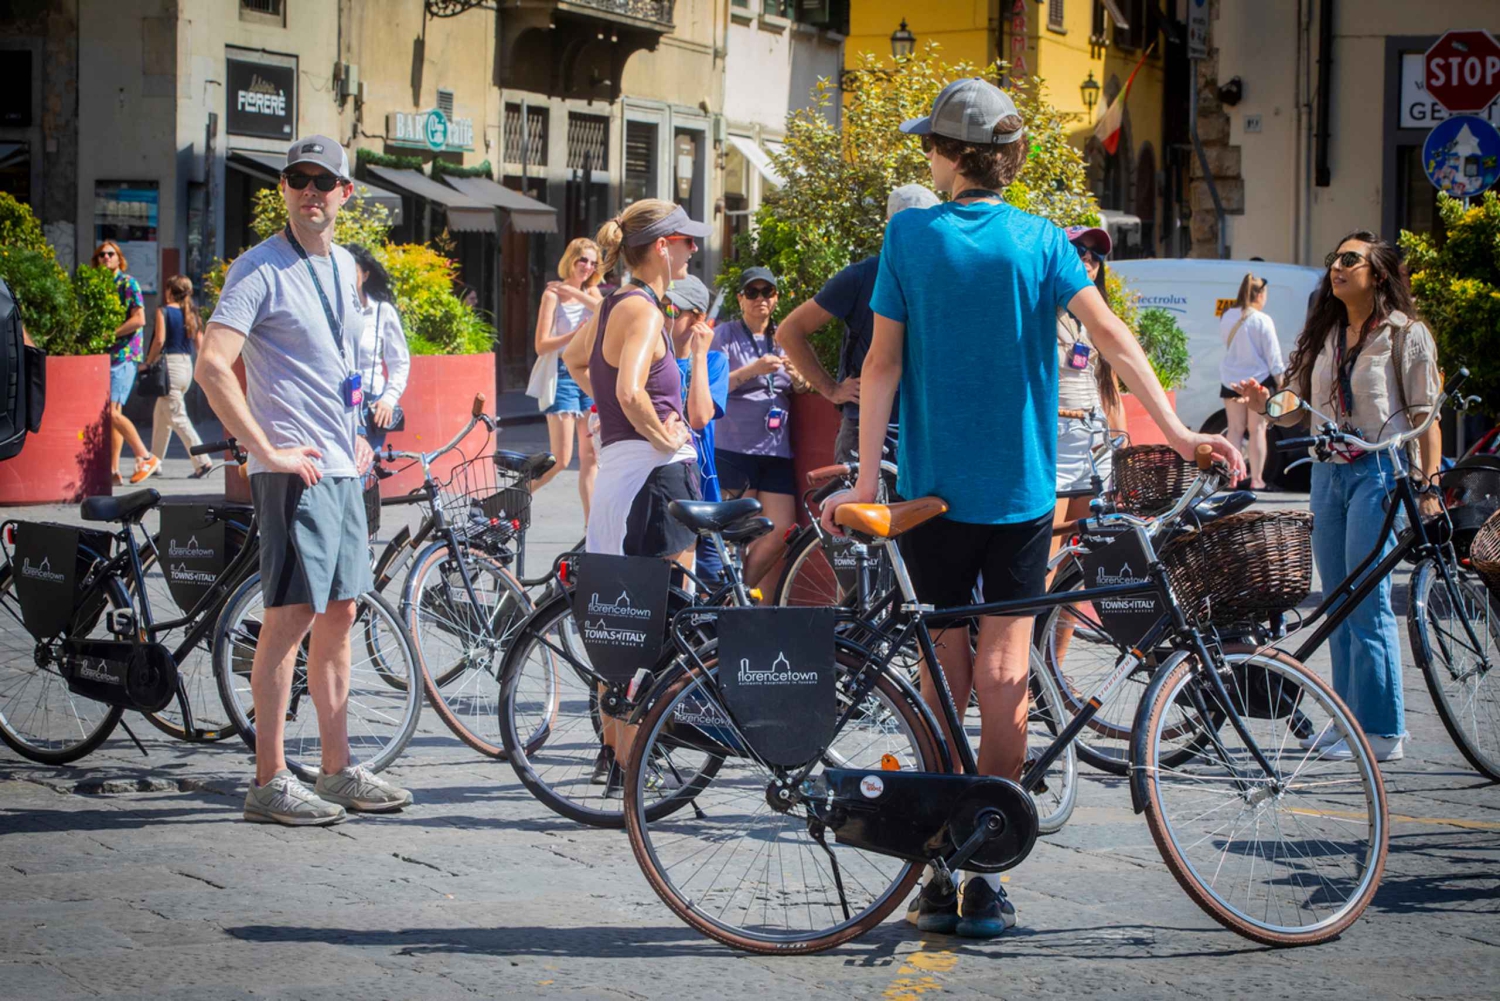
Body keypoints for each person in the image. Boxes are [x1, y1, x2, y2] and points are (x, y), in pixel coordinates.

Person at [818, 78, 1242, 939]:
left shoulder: (910, 235)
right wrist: (1179, 432)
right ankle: (984, 867)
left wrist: (866, 485)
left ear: (946, 155)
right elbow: (1115, 342)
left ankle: (935, 864)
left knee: (945, 671)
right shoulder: (1043, 241)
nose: (927, 160)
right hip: (1021, 495)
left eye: (929, 147)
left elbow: (883, 369)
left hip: (931, 494)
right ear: (1006, 159)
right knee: (1008, 673)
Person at [197, 135, 411, 826]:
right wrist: (264, 447)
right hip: (294, 472)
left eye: (325, 181)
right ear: (284, 190)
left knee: (341, 614)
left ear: (347, 193)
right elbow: (211, 364)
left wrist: (356, 432)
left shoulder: (346, 267)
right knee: (287, 621)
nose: (312, 191)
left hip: (342, 466)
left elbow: (337, 367)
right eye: (299, 179)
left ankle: (337, 765)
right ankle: (268, 777)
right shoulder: (258, 270)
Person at [1237, 231, 1438, 764]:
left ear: (1379, 274)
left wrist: (1429, 484)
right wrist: (1263, 404)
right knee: (1337, 602)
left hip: (1377, 470)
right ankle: (1350, 720)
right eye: (1334, 259)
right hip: (1328, 477)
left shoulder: (1405, 334)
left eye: (1351, 259)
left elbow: (1425, 416)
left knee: (1367, 601)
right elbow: (1293, 410)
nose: (1338, 267)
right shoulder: (1324, 335)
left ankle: (1384, 728)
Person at [580, 200, 708, 560]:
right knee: (673, 605)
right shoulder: (644, 311)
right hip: (656, 473)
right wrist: (663, 438)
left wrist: (611, 409)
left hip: (621, 475)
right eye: (687, 240)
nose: (694, 249)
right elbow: (630, 392)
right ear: (662, 246)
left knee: (624, 607)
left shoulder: (611, 304)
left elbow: (575, 360)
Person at [778, 184, 942, 464]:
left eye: (926, 227)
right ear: (891, 228)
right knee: (861, 508)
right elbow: (789, 332)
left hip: (925, 429)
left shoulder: (940, 278)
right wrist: (832, 389)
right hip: (866, 428)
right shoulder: (862, 277)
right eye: (910, 226)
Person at [712, 267, 801, 590]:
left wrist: (799, 375)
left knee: (782, 529)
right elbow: (714, 386)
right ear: (740, 298)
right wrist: (754, 370)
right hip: (735, 446)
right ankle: (730, 599)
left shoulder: (785, 335)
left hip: (776, 448)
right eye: (752, 293)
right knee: (734, 533)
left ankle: (737, 593)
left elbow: (800, 386)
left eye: (767, 292)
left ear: (776, 298)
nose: (760, 299)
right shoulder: (726, 334)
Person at [1055, 225, 1127, 526]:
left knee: (1084, 550)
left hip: (1096, 446)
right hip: (1054, 446)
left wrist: (1120, 451)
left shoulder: (1102, 322)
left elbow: (1111, 393)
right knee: (1047, 549)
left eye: (1095, 255)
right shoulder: (1038, 312)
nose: (1088, 259)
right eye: (1078, 250)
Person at [530, 238, 603, 522]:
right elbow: (541, 345)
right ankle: (516, 496)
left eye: (593, 262)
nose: (588, 266)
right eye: (583, 260)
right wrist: (575, 336)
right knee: (561, 458)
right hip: (562, 375)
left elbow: (602, 309)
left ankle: (591, 526)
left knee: (591, 457)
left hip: (588, 373)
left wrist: (576, 291)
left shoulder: (593, 293)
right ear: (570, 259)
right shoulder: (552, 297)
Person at [664, 275, 730, 584]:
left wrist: (699, 354)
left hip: (702, 495)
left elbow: (701, 416)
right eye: (660, 308)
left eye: (672, 310)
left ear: (698, 318)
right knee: (672, 587)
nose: (664, 317)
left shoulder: (714, 361)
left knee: (716, 586)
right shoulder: (651, 360)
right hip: (663, 491)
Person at [95, 241, 158, 486]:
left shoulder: (127, 283)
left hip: (125, 355)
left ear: (118, 258)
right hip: (108, 356)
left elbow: (140, 319)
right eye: (101, 255)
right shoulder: (101, 287)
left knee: (111, 412)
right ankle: (113, 470)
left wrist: (111, 334)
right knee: (114, 414)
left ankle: (145, 456)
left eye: (110, 254)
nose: (105, 258)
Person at [141, 275, 212, 480]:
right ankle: (155, 461)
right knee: (162, 416)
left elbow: (159, 340)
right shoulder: (192, 313)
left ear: (169, 290)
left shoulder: (164, 311)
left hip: (169, 367)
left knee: (178, 416)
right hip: (186, 366)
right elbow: (201, 346)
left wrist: (148, 362)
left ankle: (203, 461)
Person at [1218, 272, 1284, 490]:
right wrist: (1281, 382)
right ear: (1260, 294)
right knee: (1257, 430)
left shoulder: (1227, 316)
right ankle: (1257, 479)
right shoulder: (1262, 320)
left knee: (1234, 429)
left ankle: (1232, 478)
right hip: (1258, 381)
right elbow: (1273, 356)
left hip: (1231, 380)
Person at [347, 244, 411, 454]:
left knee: (361, 473)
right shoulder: (331, 312)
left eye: (352, 271)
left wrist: (388, 399)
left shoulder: (382, 312)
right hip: (338, 406)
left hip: (369, 406)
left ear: (365, 275)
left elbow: (399, 362)